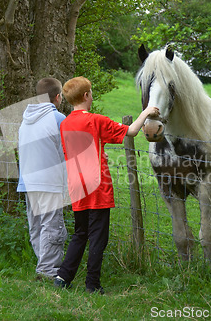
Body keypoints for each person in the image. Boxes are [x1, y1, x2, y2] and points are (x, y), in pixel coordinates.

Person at [54, 76, 159, 294]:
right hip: (97, 186)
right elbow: (130, 131)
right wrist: (145, 112)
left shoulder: (65, 123)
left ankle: (63, 277)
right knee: (98, 237)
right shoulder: (95, 120)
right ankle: (92, 284)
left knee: (80, 232)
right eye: (90, 92)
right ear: (86, 96)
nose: (91, 95)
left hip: (75, 184)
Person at [17, 77, 68, 279]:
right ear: (57, 97)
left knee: (37, 225)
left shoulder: (25, 119)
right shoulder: (58, 119)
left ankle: (43, 264)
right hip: (49, 181)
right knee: (52, 226)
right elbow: (67, 151)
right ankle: (48, 270)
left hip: (28, 181)